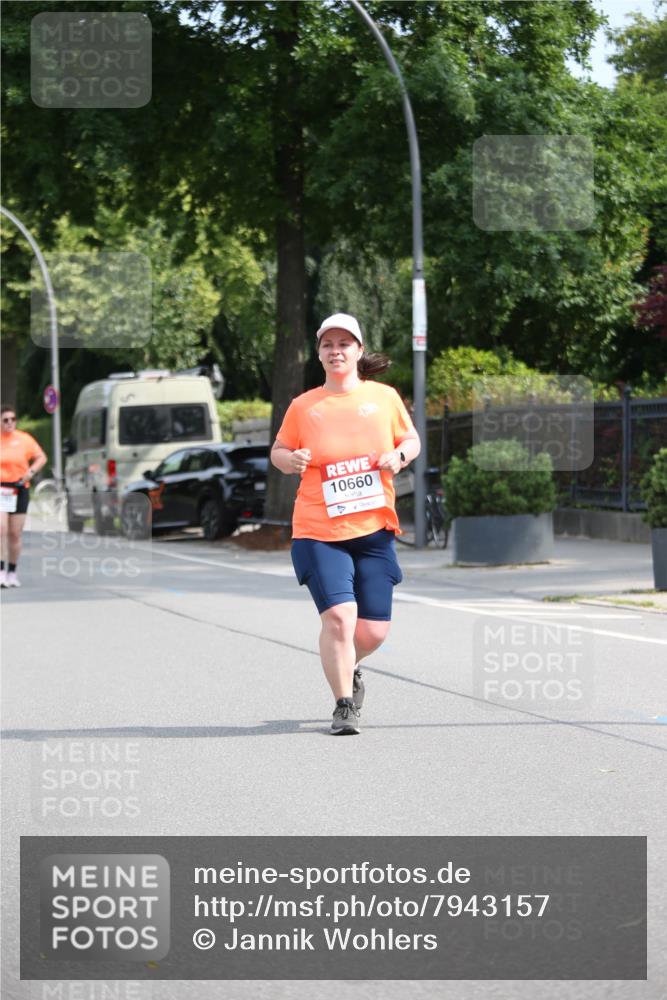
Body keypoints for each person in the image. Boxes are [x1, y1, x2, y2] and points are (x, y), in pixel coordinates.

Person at [271, 313, 420, 735]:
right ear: (319, 354)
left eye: (344, 344)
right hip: (319, 530)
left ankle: (347, 664)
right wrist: (290, 460)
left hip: (373, 529)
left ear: (358, 350)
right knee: (339, 618)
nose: (336, 351)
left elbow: (411, 439)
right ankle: (343, 706)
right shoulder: (304, 406)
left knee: (372, 632)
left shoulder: (384, 398)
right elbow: (279, 451)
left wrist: (399, 457)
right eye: (327, 345)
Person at [0, 404, 48, 587]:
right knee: (1, 530)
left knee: (15, 534)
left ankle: (12, 572)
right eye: (6, 420)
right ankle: (1, 571)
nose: (10, 423)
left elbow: (42, 457)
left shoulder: (24, 439)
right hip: (2, 488)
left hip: (20, 488)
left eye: (13, 419)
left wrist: (31, 472)